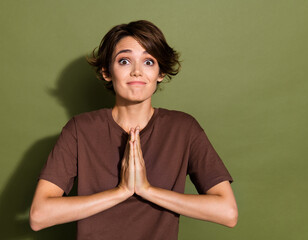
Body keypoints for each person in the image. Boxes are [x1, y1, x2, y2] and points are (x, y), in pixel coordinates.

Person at [29, 20, 238, 240]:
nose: (137, 71)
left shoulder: (184, 129)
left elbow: (228, 212)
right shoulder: (80, 129)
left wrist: (147, 190)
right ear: (107, 72)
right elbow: (39, 215)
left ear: (160, 73)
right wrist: (121, 191)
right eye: (125, 61)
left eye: (148, 61)